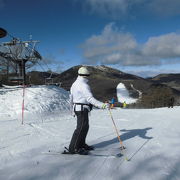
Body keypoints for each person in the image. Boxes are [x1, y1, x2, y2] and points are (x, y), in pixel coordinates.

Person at [68, 66, 110, 155]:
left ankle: (81, 144)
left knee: (85, 127)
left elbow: (71, 97)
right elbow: (90, 99)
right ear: (87, 75)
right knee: (80, 128)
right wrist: (102, 105)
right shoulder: (84, 85)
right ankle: (73, 148)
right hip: (82, 109)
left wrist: (72, 109)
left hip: (79, 108)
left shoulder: (75, 83)